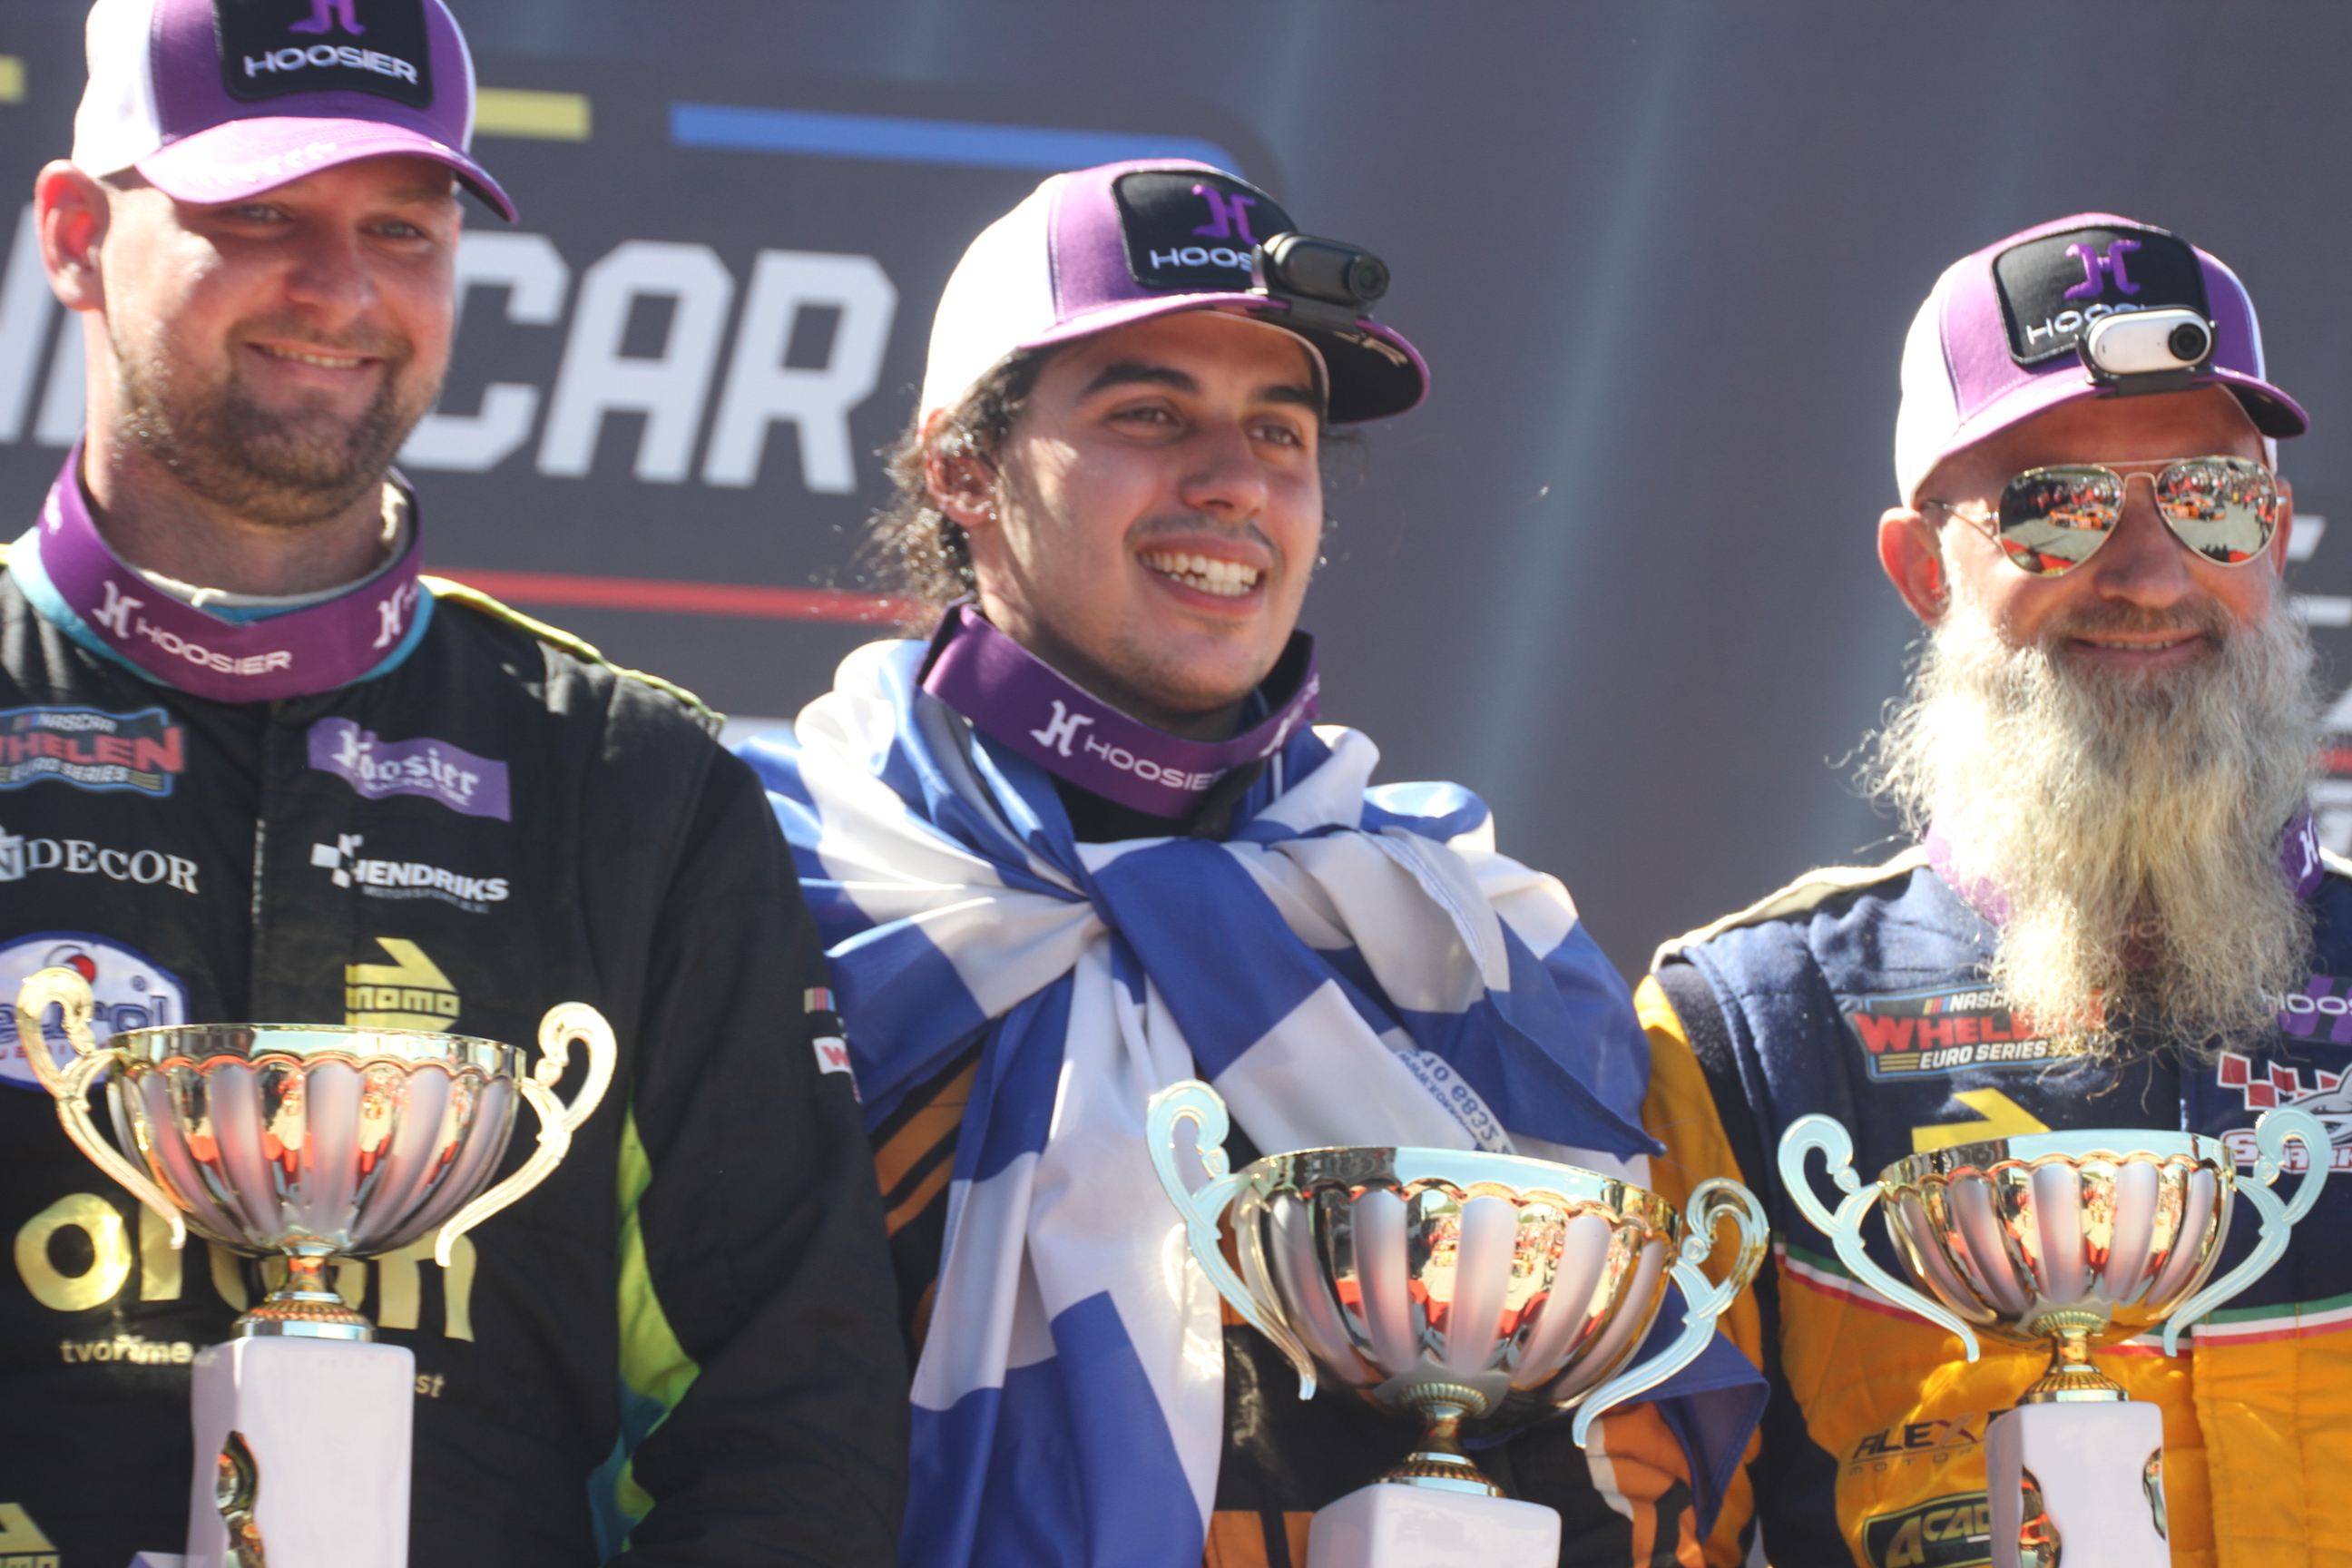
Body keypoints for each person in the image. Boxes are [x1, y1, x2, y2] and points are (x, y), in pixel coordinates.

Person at [743, 160, 1763, 1568]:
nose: (1234, 483)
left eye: (1280, 433)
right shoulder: (755, 877)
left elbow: (1625, 1456)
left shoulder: (1470, 936)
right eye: (1150, 414)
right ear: (962, 469)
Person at [0, 2, 903, 1562]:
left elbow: (787, 1420)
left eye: (403, 228)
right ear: (78, 237)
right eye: (260, 214)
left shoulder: (632, 782)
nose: (341, 288)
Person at [1641, 214, 2347, 1568]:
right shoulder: (1750, 1029)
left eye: (2211, 496)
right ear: (1924, 571)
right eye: (2057, 506)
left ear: (2272, 534)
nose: (2150, 574)